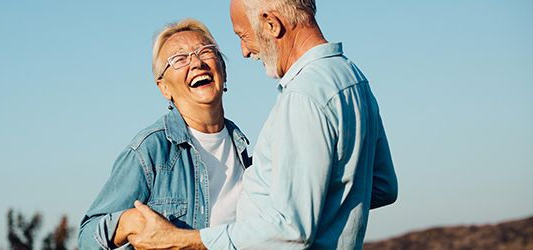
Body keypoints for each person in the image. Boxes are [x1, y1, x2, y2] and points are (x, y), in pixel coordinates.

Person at [127, 0, 399, 249]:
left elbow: (291, 230)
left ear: (272, 24)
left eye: (243, 36)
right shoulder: (352, 77)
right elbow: (383, 186)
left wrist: (179, 240)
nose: (245, 52)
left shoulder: (303, 96)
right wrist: (313, 202)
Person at [78, 19, 252, 249]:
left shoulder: (244, 153)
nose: (197, 63)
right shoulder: (150, 150)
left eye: (206, 52)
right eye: (180, 59)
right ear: (164, 88)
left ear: (224, 70)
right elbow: (87, 236)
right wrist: (128, 222)